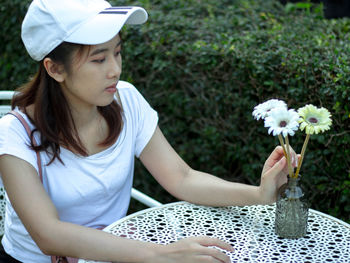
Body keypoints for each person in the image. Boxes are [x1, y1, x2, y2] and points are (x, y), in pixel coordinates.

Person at [0, 0, 298, 262]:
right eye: (99, 59)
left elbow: (182, 178)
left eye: (117, 52)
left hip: (117, 254)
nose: (115, 69)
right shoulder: (14, 134)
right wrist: (160, 254)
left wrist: (259, 194)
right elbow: (48, 235)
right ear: (55, 69)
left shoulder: (125, 99)